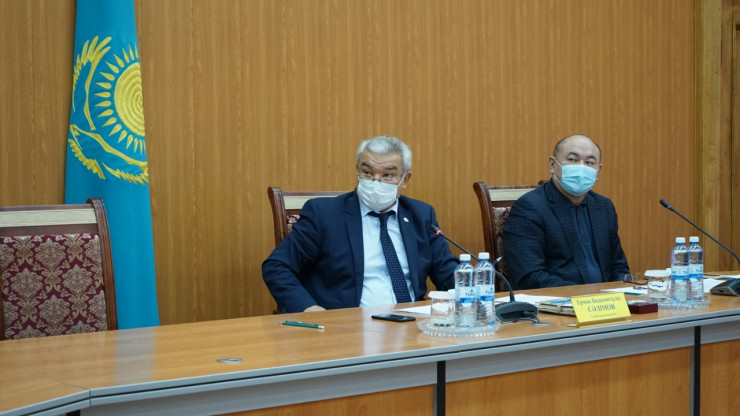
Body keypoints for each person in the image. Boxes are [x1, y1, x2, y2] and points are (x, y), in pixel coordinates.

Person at [263, 135, 458, 313]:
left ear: (405, 179)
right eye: (367, 172)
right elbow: (277, 266)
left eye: (387, 176)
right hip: (348, 325)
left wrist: (469, 287)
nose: (375, 182)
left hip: (412, 323)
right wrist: (308, 309)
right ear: (357, 171)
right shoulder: (324, 214)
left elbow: (446, 271)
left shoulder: (420, 215)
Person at [502, 134, 629, 289]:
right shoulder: (530, 207)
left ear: (598, 171)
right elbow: (529, 276)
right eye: (572, 160)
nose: (581, 168)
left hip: (606, 300)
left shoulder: (604, 207)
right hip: (559, 300)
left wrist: (623, 291)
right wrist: (583, 295)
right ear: (552, 165)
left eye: (589, 162)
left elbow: (619, 267)